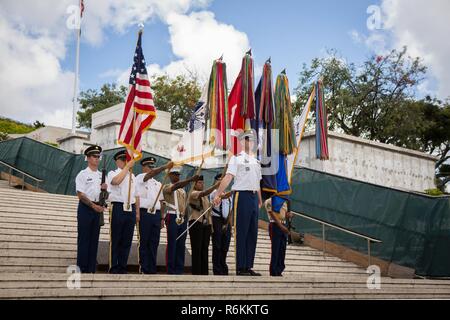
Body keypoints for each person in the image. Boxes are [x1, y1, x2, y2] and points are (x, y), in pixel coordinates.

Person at [213, 130, 263, 276]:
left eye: (252, 139)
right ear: (242, 142)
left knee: (252, 233)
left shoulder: (257, 161)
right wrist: (217, 194)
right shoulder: (236, 158)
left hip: (253, 197)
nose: (250, 142)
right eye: (247, 139)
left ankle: (248, 265)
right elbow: (228, 177)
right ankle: (241, 267)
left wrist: (259, 200)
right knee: (242, 231)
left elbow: (258, 183)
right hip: (242, 195)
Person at [135, 157, 174, 274]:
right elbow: (151, 174)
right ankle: (144, 267)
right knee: (144, 241)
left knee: (154, 242)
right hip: (144, 213)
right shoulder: (140, 177)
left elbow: (162, 202)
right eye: (150, 166)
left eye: (153, 166)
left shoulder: (158, 184)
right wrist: (164, 167)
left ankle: (152, 268)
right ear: (144, 167)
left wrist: (162, 217)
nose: (152, 169)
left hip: (156, 215)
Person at [162, 166, 200, 275]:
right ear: (170, 175)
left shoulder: (182, 191)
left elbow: (184, 205)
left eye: (178, 174)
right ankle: (170, 269)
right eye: (175, 174)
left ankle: (179, 268)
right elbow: (176, 186)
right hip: (172, 216)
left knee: (181, 244)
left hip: (182, 218)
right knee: (172, 243)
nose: (177, 176)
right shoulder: (167, 186)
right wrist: (190, 180)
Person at [75, 145, 106, 273]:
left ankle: (91, 268)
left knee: (94, 240)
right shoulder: (82, 174)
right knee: (84, 239)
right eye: (94, 156)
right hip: (86, 208)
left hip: (98, 208)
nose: (97, 159)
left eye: (99, 156)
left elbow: (105, 195)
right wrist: (93, 206)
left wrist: (105, 189)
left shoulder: (101, 175)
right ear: (87, 158)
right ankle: (82, 268)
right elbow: (80, 194)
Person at [107, 150, 138, 274]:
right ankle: (113, 266)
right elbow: (116, 181)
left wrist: (137, 212)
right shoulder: (113, 173)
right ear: (118, 161)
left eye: (127, 160)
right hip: (118, 207)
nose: (126, 162)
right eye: (124, 160)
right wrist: (127, 168)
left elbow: (135, 195)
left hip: (130, 207)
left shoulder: (133, 176)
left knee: (127, 239)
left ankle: (122, 266)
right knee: (116, 238)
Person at [187, 176, 219, 275]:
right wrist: (215, 186)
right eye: (200, 182)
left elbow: (208, 211)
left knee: (205, 248)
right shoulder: (193, 193)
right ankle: (197, 272)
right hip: (196, 222)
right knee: (197, 248)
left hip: (206, 224)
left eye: (202, 182)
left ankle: (204, 272)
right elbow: (203, 193)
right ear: (195, 184)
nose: (202, 184)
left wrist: (211, 226)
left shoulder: (206, 197)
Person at [210, 174, 233, 275]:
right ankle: (217, 268)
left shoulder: (229, 196)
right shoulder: (214, 193)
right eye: (220, 180)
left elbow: (231, 210)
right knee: (217, 245)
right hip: (216, 220)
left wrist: (229, 224)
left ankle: (223, 265)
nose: (222, 182)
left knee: (225, 246)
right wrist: (233, 191)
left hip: (226, 221)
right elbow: (220, 198)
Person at [264, 197, 292, 276]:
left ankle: (279, 269)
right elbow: (272, 213)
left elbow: (283, 214)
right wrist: (281, 226)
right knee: (275, 248)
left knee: (282, 249)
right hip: (275, 225)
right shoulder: (270, 200)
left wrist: (288, 215)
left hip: (283, 224)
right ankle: (273, 271)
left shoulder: (284, 201)